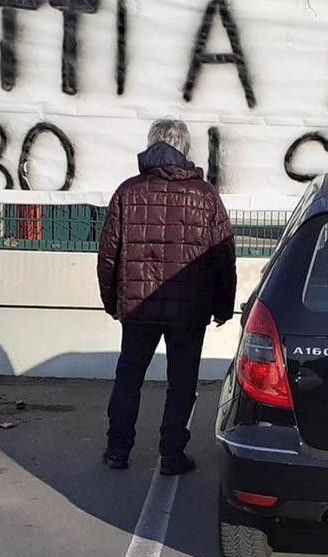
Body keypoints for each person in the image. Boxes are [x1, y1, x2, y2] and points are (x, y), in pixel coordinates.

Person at [97, 119, 237, 475]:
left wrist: (112, 301)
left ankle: (117, 450)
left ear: (150, 145)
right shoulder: (205, 195)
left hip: (138, 307)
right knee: (182, 382)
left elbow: (109, 254)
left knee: (129, 377)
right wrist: (222, 305)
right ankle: (172, 455)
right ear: (186, 150)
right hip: (190, 309)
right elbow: (223, 256)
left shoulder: (128, 192)